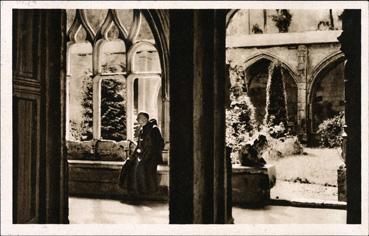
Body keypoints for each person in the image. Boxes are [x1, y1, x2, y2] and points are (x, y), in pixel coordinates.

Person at [130, 112, 164, 195]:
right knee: (129, 163)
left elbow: (160, 144)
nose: (137, 120)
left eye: (139, 118)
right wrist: (133, 155)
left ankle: (146, 191)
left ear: (145, 119)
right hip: (143, 155)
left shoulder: (154, 129)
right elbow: (139, 145)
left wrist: (149, 154)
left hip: (153, 156)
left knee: (140, 166)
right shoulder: (142, 129)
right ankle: (134, 190)